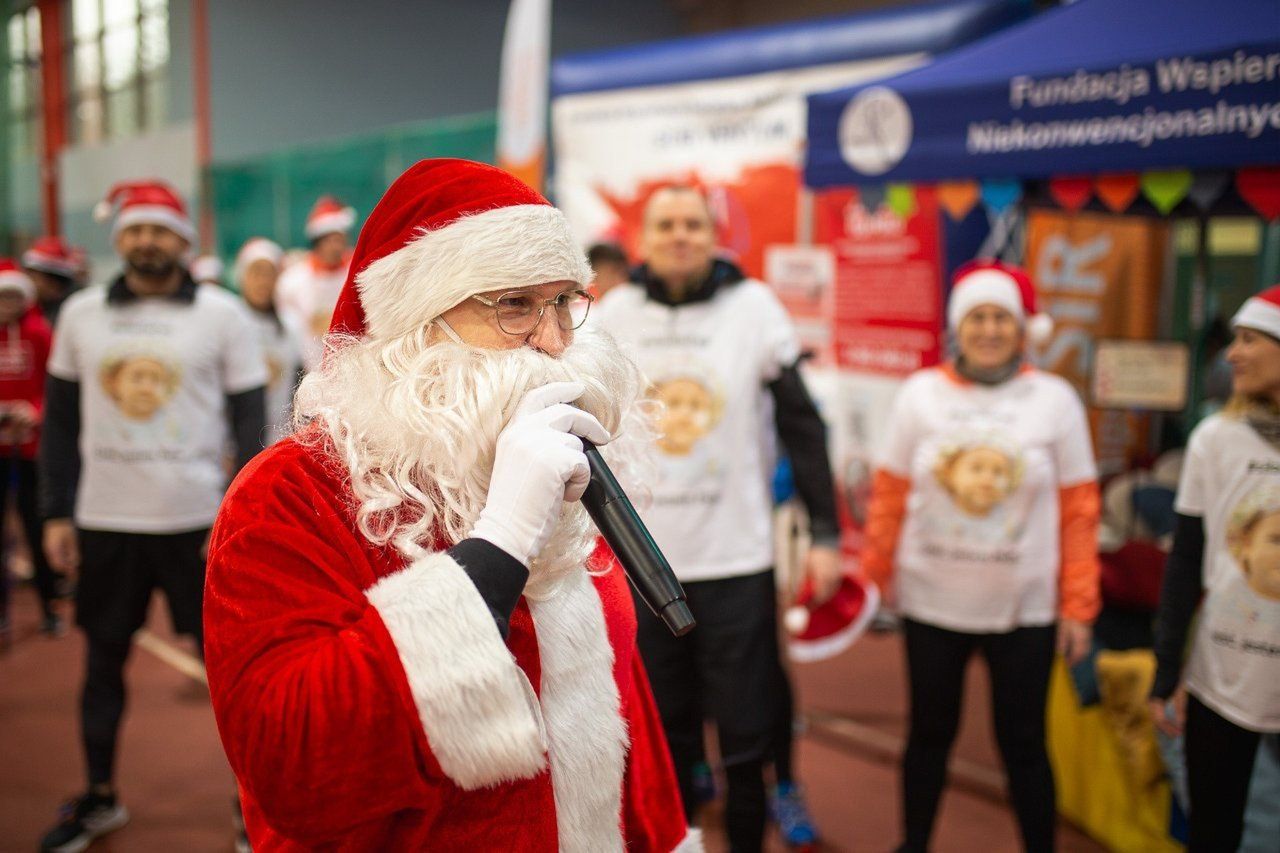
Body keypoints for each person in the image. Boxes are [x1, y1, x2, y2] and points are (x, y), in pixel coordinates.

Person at [202, 158, 698, 851]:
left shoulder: (557, 468)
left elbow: (619, 715)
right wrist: (495, 546)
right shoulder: (291, 491)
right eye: (515, 306)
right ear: (416, 330)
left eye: (562, 303)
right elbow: (295, 765)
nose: (554, 342)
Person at [593, 185, 841, 851]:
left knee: (745, 731)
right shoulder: (615, 311)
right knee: (664, 733)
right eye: (667, 224)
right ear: (644, 238)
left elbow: (802, 424)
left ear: (713, 234)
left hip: (737, 561)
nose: (681, 235)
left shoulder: (753, 306)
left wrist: (825, 533)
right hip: (645, 563)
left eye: (694, 224)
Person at [37, 179, 267, 853]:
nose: (146, 241)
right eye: (134, 230)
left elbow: (251, 423)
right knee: (102, 664)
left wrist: (242, 510)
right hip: (106, 521)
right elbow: (60, 422)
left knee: (232, 673)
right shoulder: (80, 314)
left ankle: (253, 806)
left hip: (199, 527)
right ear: (119, 240)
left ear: (183, 239)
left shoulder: (224, 316)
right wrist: (56, 513)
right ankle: (100, 797)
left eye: (160, 230)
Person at [863, 260, 1100, 853]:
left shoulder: (1056, 401)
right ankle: (912, 844)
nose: (989, 330)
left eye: (1001, 318)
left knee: (1022, 742)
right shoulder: (920, 395)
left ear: (1023, 330)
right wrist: (871, 580)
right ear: (956, 328)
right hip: (932, 598)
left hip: (1024, 609)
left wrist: (1078, 605)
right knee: (928, 734)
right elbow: (889, 496)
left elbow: (1079, 511)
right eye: (977, 318)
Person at [1150, 285, 1280, 852]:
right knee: (1213, 829)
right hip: (1219, 677)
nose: (1231, 354)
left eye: (1249, 340)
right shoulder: (1213, 439)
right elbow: (1183, 565)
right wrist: (1165, 669)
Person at [0, 260, 60, 640]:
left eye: (13, 296)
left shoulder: (39, 334)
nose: (7, 303)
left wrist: (34, 412)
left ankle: (50, 607)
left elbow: (55, 389)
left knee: (37, 531)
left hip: (32, 451)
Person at [234, 237, 303, 446]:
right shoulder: (231, 320)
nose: (262, 281)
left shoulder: (290, 325)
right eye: (256, 272)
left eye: (269, 273)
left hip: (278, 440)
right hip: (236, 442)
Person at [276, 195, 356, 371]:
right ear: (317, 242)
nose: (336, 246)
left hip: (353, 368)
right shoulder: (292, 281)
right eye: (330, 240)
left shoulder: (356, 273)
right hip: (311, 371)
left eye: (340, 239)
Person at [21, 236, 85, 325]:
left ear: (53, 282)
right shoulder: (26, 307)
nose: (25, 281)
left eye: (33, 276)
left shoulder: (77, 310)